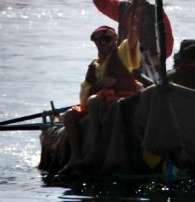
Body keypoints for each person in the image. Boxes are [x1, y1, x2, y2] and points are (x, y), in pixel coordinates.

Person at [59, 24, 142, 171]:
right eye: (98, 40)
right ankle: (76, 157)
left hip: (122, 97)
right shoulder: (94, 65)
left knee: (93, 101)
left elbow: (131, 44)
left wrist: (133, 30)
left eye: (107, 39)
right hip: (102, 98)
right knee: (68, 116)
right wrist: (100, 84)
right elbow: (84, 92)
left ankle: (97, 145)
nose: (103, 43)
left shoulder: (121, 54)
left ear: (114, 39)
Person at [90, 0, 174, 83]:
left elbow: (168, 39)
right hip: (125, 66)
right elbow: (101, 2)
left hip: (150, 67)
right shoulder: (122, 9)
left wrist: (158, 59)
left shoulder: (156, 12)